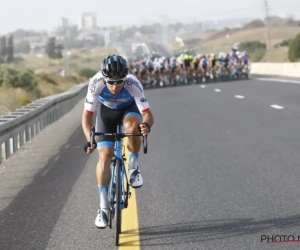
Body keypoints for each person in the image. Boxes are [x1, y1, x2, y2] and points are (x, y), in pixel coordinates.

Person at [81, 54, 154, 229]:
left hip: (129, 111)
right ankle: (104, 207)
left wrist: (146, 126)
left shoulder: (133, 83)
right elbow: (87, 116)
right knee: (104, 157)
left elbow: (147, 114)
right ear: (103, 77)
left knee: (132, 127)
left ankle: (133, 168)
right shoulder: (96, 82)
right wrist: (89, 140)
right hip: (106, 114)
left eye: (119, 81)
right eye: (110, 82)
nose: (114, 86)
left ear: (125, 77)